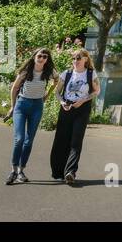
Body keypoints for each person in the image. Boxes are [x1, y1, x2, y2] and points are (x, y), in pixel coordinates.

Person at [5, 49, 55, 185]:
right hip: (21, 105)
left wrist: (47, 95)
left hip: (37, 106)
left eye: (45, 57)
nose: (42, 58)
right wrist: (12, 106)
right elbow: (14, 89)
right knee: (19, 139)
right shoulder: (26, 71)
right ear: (34, 57)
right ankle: (13, 170)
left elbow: (56, 81)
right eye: (40, 56)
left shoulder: (48, 72)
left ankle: (21, 170)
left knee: (29, 141)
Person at [49, 49, 99, 186]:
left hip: (82, 109)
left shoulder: (90, 74)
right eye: (74, 58)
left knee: (76, 141)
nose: (75, 61)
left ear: (85, 59)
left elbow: (96, 91)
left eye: (78, 58)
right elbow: (57, 92)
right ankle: (58, 172)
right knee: (61, 140)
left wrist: (83, 100)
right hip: (66, 108)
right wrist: (62, 102)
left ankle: (70, 172)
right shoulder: (67, 73)